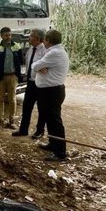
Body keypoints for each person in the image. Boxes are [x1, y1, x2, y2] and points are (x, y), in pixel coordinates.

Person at [31, 29, 70, 161]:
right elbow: (37, 66)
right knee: (49, 119)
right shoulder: (55, 52)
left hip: (52, 91)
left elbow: (35, 66)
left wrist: (37, 66)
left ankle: (60, 152)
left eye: (45, 39)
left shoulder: (54, 53)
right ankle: (53, 144)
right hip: (50, 91)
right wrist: (38, 66)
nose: (43, 41)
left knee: (54, 121)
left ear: (48, 40)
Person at [12, 28, 47, 139]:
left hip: (41, 84)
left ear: (37, 38)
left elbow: (46, 67)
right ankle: (23, 130)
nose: (28, 38)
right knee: (26, 106)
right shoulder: (31, 49)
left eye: (31, 36)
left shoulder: (45, 51)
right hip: (31, 82)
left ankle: (39, 131)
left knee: (42, 108)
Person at [0, 26, 23, 129]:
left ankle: (11, 120)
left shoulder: (16, 47)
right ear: (1, 36)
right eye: (6, 35)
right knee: (0, 99)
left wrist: (18, 76)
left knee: (12, 99)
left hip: (12, 77)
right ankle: (0, 120)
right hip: (0, 78)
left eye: (9, 35)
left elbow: (21, 61)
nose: (8, 37)